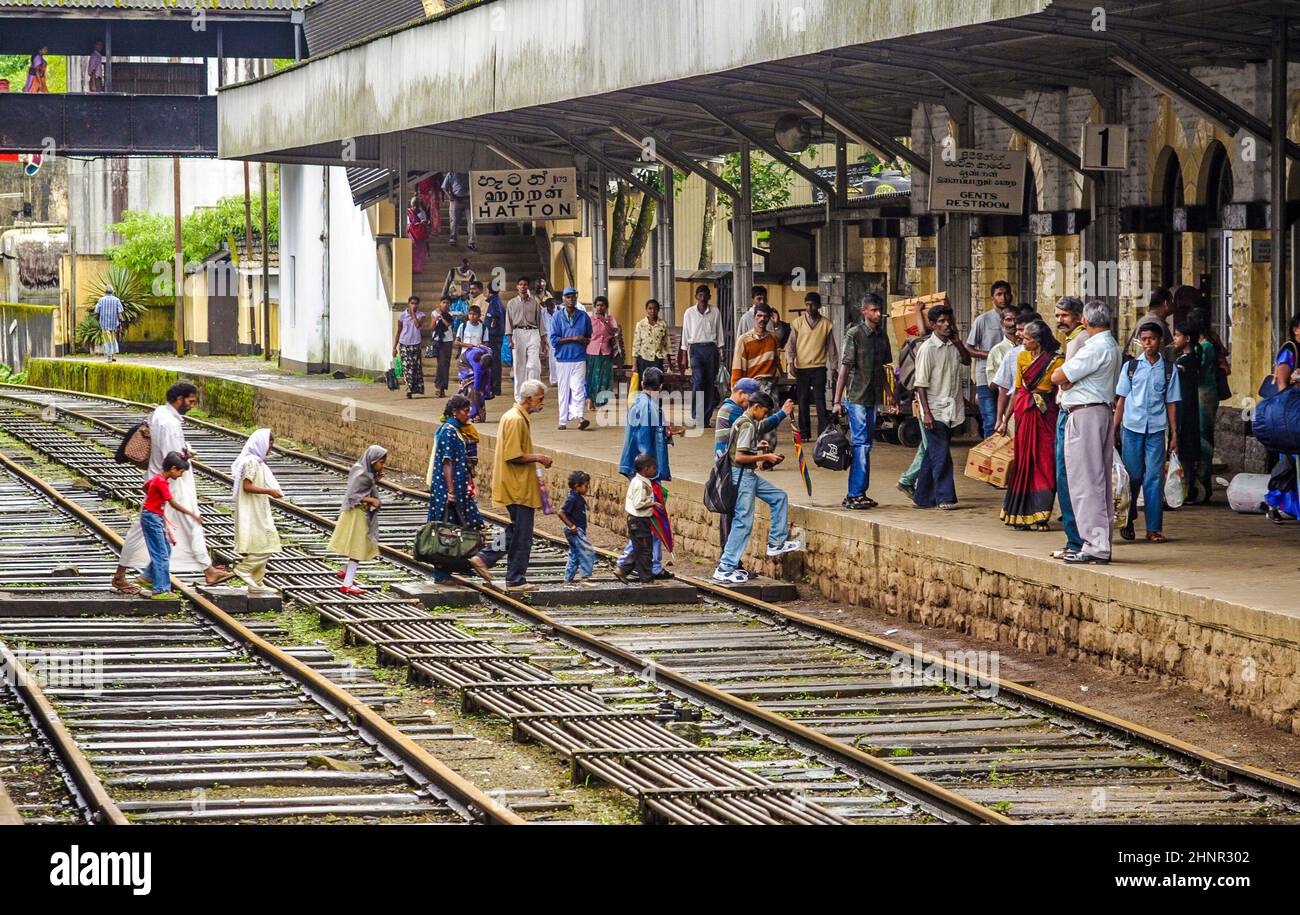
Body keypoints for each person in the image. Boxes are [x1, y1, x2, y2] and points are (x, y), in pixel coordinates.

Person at [115, 382, 231, 593]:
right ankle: (207, 570)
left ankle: (136, 575)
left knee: (146, 530)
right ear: (179, 399)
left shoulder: (160, 414)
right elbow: (172, 457)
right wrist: (185, 458)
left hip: (161, 481)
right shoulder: (168, 423)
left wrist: (186, 451)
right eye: (190, 401)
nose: (192, 405)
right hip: (171, 483)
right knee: (188, 522)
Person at [1050, 300, 1123, 564]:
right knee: (1097, 481)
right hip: (1100, 410)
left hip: (1085, 413)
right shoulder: (1111, 345)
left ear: (1085, 321)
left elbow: (1058, 376)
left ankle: (1093, 545)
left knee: (1085, 482)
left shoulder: (1095, 347)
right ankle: (1098, 541)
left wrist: (1067, 380)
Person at [713, 392, 804, 584]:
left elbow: (743, 446)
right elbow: (739, 457)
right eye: (765, 411)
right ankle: (725, 567)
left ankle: (776, 543)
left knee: (779, 497)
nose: (765, 414)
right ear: (755, 407)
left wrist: (758, 448)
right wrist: (765, 457)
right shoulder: (746, 424)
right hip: (742, 476)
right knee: (743, 522)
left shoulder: (745, 421)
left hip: (748, 475)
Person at [479, 380, 551, 592]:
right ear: (529, 399)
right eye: (540, 399)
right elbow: (513, 455)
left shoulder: (517, 417)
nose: (542, 403)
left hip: (519, 484)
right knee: (522, 533)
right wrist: (539, 457)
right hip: (516, 486)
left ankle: (487, 559)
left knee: (516, 529)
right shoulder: (515, 420)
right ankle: (514, 577)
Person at [995, 320, 1064, 531]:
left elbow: (1062, 389)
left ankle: (1041, 513)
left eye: (1026, 338)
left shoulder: (1057, 361)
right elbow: (1017, 390)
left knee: (1045, 462)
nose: (1021, 341)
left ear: (1038, 341)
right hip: (1025, 415)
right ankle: (1020, 514)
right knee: (1024, 462)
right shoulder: (1022, 356)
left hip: (1046, 416)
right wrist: (1005, 419)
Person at [1115, 325, 1181, 543]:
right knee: (1132, 477)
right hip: (1132, 428)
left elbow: (1171, 403)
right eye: (1144, 339)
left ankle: (1154, 528)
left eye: (1151, 339)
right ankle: (1129, 519)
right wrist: (1113, 429)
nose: (1148, 343)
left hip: (1156, 429)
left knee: (1153, 478)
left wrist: (1174, 433)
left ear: (1160, 340)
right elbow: (1121, 400)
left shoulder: (1169, 369)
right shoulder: (1131, 367)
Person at [832, 293, 895, 510]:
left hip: (873, 399)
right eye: (874, 310)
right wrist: (837, 401)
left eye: (880, 310)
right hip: (857, 398)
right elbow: (844, 370)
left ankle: (859, 492)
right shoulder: (854, 334)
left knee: (866, 446)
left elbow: (884, 370)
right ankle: (855, 493)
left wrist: (890, 396)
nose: (878, 314)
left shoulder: (882, 337)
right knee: (861, 445)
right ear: (864, 312)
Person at [618, 367, 683, 578]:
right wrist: (649, 471)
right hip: (644, 469)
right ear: (661, 387)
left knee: (649, 519)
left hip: (642, 467)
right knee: (649, 519)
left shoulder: (641, 403)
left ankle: (652, 564)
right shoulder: (647, 406)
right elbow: (643, 440)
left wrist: (668, 431)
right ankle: (626, 564)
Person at [424, 396, 495, 585]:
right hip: (449, 490)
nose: (468, 414)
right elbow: (447, 462)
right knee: (446, 530)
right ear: (454, 412)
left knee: (457, 527)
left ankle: (463, 565)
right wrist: (450, 490)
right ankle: (444, 574)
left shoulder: (457, 430)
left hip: (459, 488)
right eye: (465, 410)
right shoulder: (448, 431)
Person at [912, 304, 970, 510]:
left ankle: (922, 497)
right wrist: (926, 413)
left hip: (951, 406)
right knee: (942, 453)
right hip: (934, 409)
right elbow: (920, 385)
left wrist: (958, 342)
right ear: (933, 325)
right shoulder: (927, 349)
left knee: (933, 454)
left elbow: (966, 360)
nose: (947, 325)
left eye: (948, 321)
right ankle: (945, 497)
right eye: (942, 322)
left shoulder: (953, 346)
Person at [1049, 295, 1088, 558]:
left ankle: (1076, 540)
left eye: (1064, 315)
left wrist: (1060, 380)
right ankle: (1073, 539)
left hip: (1072, 412)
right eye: (1057, 315)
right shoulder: (1073, 340)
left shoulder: (1082, 340)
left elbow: (1066, 379)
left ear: (1078, 316)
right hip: (1068, 410)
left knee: (1068, 477)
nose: (1059, 320)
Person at [140, 452, 204, 600]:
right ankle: (161, 589)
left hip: (153, 516)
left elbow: (146, 486)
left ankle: (148, 577)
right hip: (152, 518)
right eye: (181, 472)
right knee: (161, 553)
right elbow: (173, 503)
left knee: (165, 550)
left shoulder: (157, 478)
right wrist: (192, 514)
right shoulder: (161, 482)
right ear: (173, 469)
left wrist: (153, 501)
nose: (181, 475)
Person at [230, 429, 283, 594]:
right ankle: (244, 569)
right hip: (252, 509)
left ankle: (257, 583)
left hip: (258, 507)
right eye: (269, 442)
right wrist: (270, 492)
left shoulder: (258, 462)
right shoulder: (252, 462)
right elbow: (247, 486)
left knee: (260, 545)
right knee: (268, 543)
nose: (270, 447)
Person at [329, 445, 388, 595]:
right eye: (381, 462)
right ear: (372, 460)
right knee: (358, 548)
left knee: (359, 546)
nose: (383, 465)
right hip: (357, 514)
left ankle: (345, 571)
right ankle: (347, 584)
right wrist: (372, 501)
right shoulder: (362, 474)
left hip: (357, 514)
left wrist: (374, 480)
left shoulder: (363, 470)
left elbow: (362, 489)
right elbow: (353, 495)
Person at [786, 291, 839, 441]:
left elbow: (832, 348)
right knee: (802, 400)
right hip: (802, 368)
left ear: (819, 306)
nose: (810, 307)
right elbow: (791, 345)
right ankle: (804, 433)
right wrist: (791, 362)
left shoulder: (826, 324)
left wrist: (834, 367)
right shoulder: (797, 323)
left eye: (813, 305)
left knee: (819, 400)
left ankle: (822, 433)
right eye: (807, 304)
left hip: (819, 367)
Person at [964, 280, 1014, 439]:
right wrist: (992, 355)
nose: (1003, 297)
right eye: (999, 294)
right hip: (986, 378)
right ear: (992, 298)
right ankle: (989, 456)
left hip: (1010, 379)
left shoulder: (1016, 318)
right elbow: (969, 348)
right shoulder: (982, 320)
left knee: (1009, 419)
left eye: (1006, 294)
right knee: (991, 419)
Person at [681, 284, 726, 425]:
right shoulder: (689, 313)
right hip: (696, 349)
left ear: (709, 297)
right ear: (696, 296)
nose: (702, 298)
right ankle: (696, 415)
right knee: (699, 380)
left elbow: (719, 332)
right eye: (700, 295)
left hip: (711, 349)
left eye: (705, 295)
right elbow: (685, 334)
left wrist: (721, 351)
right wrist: (683, 355)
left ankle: (705, 419)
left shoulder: (715, 311)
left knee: (709, 383)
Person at [550, 288, 592, 430]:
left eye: (573, 297)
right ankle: (562, 420)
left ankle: (580, 417)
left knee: (578, 388)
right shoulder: (556, 317)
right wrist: (574, 338)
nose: (571, 299)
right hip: (562, 359)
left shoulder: (583, 316)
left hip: (579, 357)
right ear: (563, 299)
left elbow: (588, 336)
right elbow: (554, 340)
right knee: (564, 390)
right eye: (568, 297)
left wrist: (584, 341)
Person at [1171, 322, 1203, 498]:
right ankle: (1187, 487)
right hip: (1187, 408)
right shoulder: (1186, 360)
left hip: (1185, 409)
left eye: (1177, 335)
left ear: (1187, 339)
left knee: (1185, 449)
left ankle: (1187, 488)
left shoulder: (1186, 362)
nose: (1175, 339)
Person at [615, 453, 658, 584]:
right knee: (645, 551)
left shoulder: (636, 480)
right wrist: (653, 504)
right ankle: (646, 579)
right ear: (646, 469)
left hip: (635, 520)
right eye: (653, 468)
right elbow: (638, 504)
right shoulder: (641, 485)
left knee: (638, 547)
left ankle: (622, 569)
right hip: (639, 520)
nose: (655, 470)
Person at [505, 277, 543, 399]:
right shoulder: (511, 303)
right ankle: (519, 396)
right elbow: (508, 322)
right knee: (519, 365)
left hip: (533, 332)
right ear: (517, 287)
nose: (522, 286)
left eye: (525, 284)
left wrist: (544, 340)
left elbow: (540, 321)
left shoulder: (534, 303)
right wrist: (510, 339)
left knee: (533, 365)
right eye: (520, 284)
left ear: (528, 287)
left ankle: (532, 393)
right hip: (517, 333)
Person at [455, 304, 493, 420]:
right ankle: (471, 413)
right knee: (471, 387)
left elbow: (486, 344)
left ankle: (477, 413)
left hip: (477, 357)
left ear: (479, 315)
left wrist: (488, 389)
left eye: (475, 314)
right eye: (470, 314)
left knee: (479, 386)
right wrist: (469, 345)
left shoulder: (483, 328)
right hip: (465, 360)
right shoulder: (463, 326)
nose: (472, 316)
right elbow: (457, 342)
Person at [559, 470, 595, 584]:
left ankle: (568, 579)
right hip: (575, 530)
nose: (587, 488)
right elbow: (561, 512)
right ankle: (585, 577)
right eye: (586, 486)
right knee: (587, 551)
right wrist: (572, 526)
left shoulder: (577, 497)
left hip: (577, 530)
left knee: (574, 554)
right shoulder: (572, 498)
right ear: (576, 486)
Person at [585, 295, 620, 410]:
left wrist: (604, 321)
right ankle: (590, 399)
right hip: (592, 352)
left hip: (606, 352)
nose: (600, 308)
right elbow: (586, 334)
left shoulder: (611, 319)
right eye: (598, 305)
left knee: (604, 377)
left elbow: (614, 333)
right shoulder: (590, 320)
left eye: (602, 305)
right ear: (595, 307)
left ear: (606, 307)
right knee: (592, 377)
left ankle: (601, 401)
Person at [393, 295, 426, 398]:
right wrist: (394, 347)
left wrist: (412, 315)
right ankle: (408, 388)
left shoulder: (421, 315)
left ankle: (414, 388)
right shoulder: (402, 316)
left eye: (416, 304)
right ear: (408, 304)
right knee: (407, 367)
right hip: (404, 344)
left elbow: (417, 325)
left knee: (415, 367)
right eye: (412, 303)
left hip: (415, 344)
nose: (414, 305)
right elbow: (398, 332)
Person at [1126, 287, 1174, 357]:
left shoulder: (1142, 321)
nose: (1173, 304)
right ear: (1166, 303)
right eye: (1172, 301)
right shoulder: (1157, 325)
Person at [632, 298, 671, 378]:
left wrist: (670, 361)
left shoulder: (663, 324)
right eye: (650, 308)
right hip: (643, 358)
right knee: (644, 382)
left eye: (655, 308)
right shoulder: (641, 324)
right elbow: (636, 344)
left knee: (656, 382)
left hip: (657, 358)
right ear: (646, 309)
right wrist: (634, 364)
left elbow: (666, 343)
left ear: (658, 310)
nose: (652, 311)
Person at [441, 171, 476, 249]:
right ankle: (453, 237)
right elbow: (444, 187)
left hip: (469, 198)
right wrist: (449, 196)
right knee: (454, 220)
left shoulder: (470, 172)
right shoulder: (452, 173)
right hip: (456, 198)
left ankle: (472, 241)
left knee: (471, 221)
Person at [428, 296, 455, 397]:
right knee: (440, 364)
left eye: (447, 303)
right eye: (444, 302)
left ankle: (440, 387)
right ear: (440, 303)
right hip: (437, 340)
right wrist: (435, 319)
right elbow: (432, 327)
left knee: (444, 364)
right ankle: (440, 386)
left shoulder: (451, 314)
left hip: (447, 341)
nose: (445, 304)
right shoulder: (434, 313)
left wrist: (442, 317)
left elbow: (448, 325)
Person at [94, 284, 124, 363]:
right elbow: (120, 313)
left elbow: (96, 311)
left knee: (107, 340)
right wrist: (121, 322)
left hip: (104, 324)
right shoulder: (116, 300)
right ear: (112, 291)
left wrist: (97, 318)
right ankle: (113, 355)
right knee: (113, 339)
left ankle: (109, 357)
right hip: (114, 324)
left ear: (105, 291)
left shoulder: (101, 300)